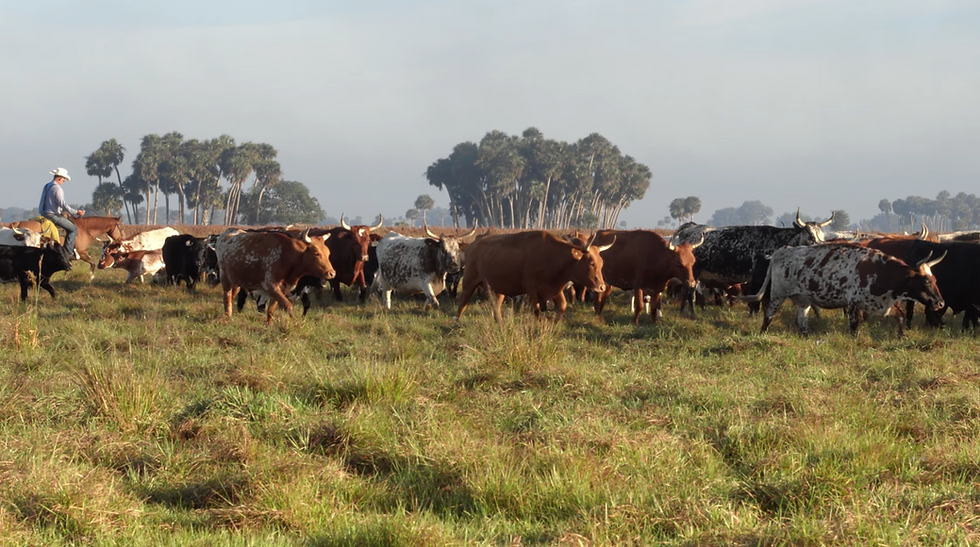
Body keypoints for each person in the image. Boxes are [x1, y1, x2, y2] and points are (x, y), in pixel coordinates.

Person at [39, 167, 85, 256]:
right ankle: (67, 253)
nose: (63, 182)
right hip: (52, 215)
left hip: (43, 213)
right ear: (60, 178)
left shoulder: (47, 186)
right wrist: (76, 212)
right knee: (73, 229)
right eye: (63, 180)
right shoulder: (57, 189)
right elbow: (62, 204)